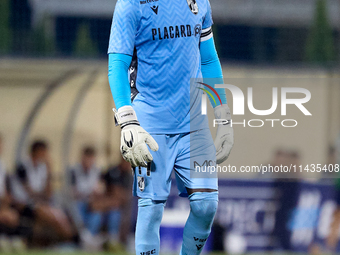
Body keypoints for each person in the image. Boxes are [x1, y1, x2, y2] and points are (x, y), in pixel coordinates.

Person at [108, 0, 234, 254]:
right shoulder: (131, 4)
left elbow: (208, 60)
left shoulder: (199, 2)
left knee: (207, 206)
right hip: (150, 124)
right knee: (152, 209)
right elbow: (117, 65)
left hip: (194, 124)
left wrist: (223, 116)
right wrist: (127, 119)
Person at [12, 140, 75, 244]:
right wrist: (41, 195)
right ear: (38, 152)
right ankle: (68, 240)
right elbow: (29, 193)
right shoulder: (22, 167)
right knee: (53, 217)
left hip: (40, 203)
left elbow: (48, 194)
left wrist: (49, 171)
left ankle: (68, 240)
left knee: (60, 215)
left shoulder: (42, 168)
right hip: (23, 204)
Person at [92, 157, 133, 251]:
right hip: (104, 204)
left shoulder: (129, 177)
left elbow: (125, 197)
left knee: (115, 214)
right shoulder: (112, 172)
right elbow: (109, 191)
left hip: (117, 207)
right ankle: (92, 239)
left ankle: (113, 240)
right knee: (96, 214)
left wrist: (117, 196)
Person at [69, 147, 103, 240]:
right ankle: (81, 236)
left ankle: (90, 236)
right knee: (77, 208)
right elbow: (72, 192)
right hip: (77, 202)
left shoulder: (96, 171)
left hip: (90, 202)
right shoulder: (74, 171)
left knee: (96, 212)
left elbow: (99, 189)